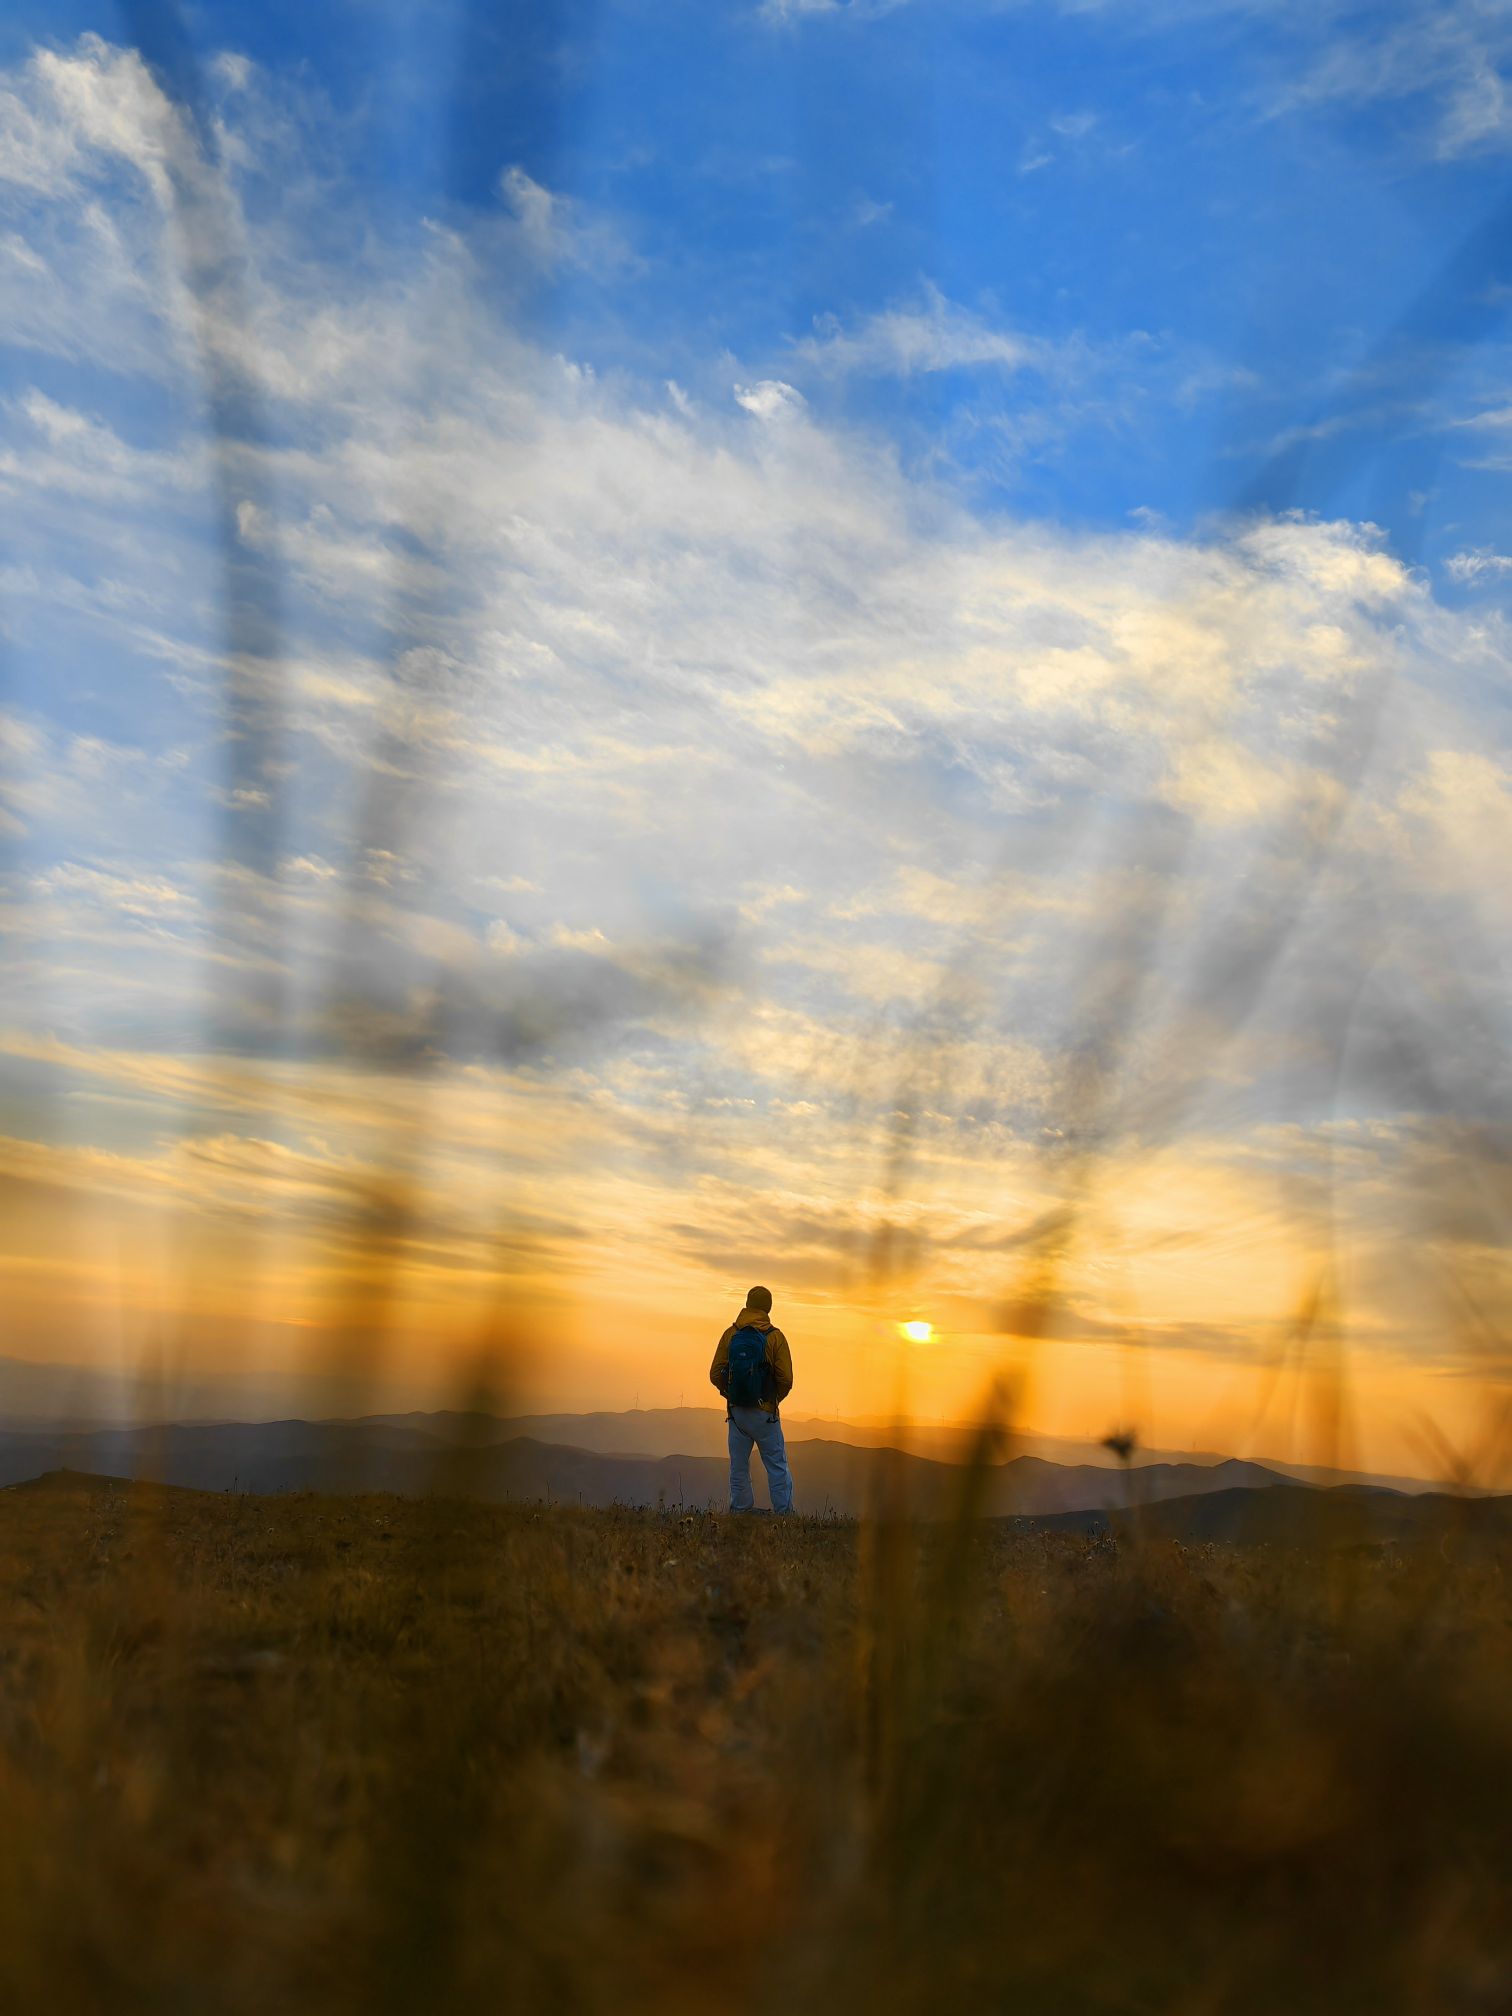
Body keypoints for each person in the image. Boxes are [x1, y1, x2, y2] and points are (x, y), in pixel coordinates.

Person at [709, 1284, 794, 1514]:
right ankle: (784, 1513)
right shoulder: (775, 1337)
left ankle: (740, 1509)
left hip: (736, 1413)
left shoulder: (731, 1334)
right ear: (768, 1307)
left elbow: (715, 1373)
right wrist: (773, 1399)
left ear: (747, 1304)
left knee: (739, 1465)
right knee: (776, 1465)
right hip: (765, 1412)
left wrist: (729, 1393)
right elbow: (786, 1378)